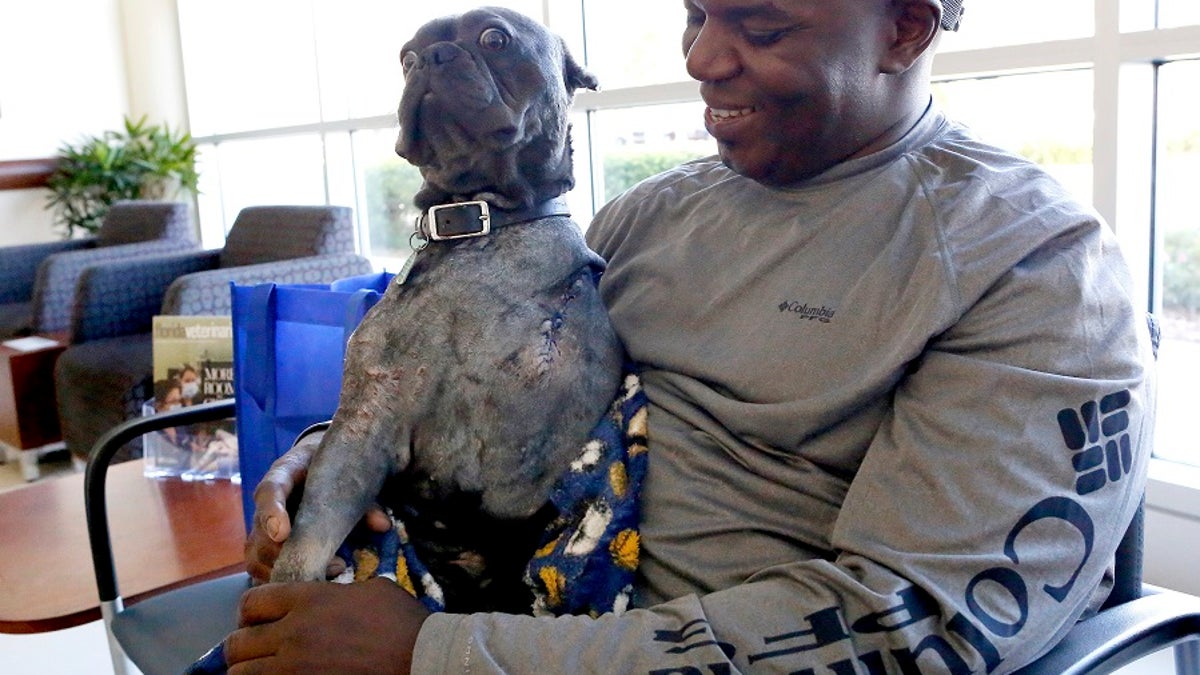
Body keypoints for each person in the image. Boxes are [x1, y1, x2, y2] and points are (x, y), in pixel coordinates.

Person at [225, 0, 1157, 672]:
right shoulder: (646, 218)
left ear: (906, 28)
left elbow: (918, 627)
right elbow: (491, 387)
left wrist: (440, 655)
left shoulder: (1033, 263)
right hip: (503, 597)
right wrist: (335, 450)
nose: (705, 59)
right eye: (694, 15)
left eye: (760, 26)